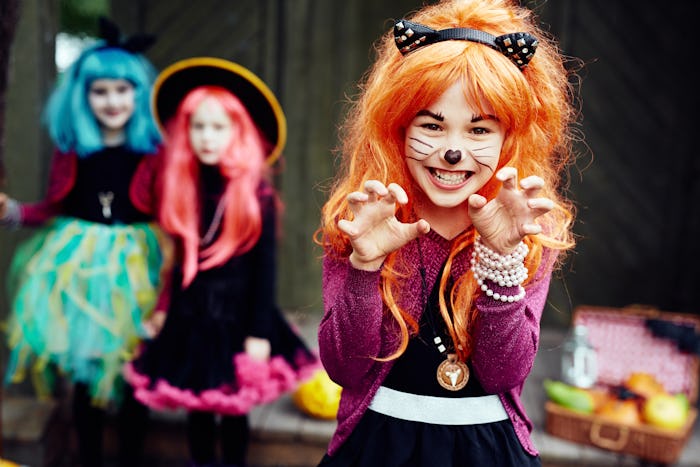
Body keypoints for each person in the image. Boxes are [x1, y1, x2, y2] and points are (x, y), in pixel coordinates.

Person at [315, 0, 580, 465]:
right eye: (432, 125)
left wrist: (502, 259)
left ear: (510, 139)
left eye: (479, 130)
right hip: (378, 446)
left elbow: (503, 373)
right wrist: (364, 267)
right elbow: (344, 368)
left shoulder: (528, 228)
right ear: (397, 128)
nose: (453, 151)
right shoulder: (365, 216)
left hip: (487, 449)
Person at [124, 57, 320, 467]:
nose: (207, 137)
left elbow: (264, 271)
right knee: (198, 405)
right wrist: (163, 310)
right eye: (198, 126)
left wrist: (259, 331)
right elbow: (179, 264)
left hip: (238, 318)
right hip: (192, 318)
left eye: (218, 127)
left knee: (233, 409)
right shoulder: (184, 188)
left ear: (238, 132)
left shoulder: (254, 196)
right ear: (185, 132)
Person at [0, 18, 166, 467]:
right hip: (80, 274)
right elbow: (56, 207)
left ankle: (130, 454)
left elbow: (173, 219)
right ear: (83, 96)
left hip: (136, 273)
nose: (112, 101)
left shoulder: (155, 153)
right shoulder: (73, 150)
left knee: (133, 377)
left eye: (122, 90)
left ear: (138, 93)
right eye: (100, 91)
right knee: (86, 378)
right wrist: (14, 212)